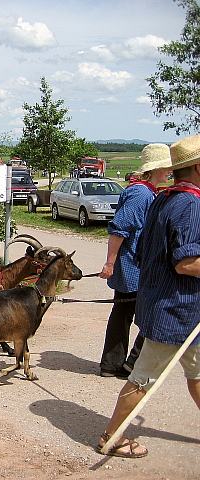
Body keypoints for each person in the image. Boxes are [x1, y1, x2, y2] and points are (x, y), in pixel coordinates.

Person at [97, 134, 200, 458]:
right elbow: (186, 263)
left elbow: (142, 251)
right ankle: (111, 436)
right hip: (177, 310)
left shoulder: (164, 198)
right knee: (142, 378)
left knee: (198, 372)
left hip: (174, 307)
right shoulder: (190, 204)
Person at [98, 144, 172, 378]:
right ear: (156, 169)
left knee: (124, 313)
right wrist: (110, 263)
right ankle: (126, 364)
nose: (169, 172)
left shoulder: (147, 192)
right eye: (166, 168)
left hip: (137, 266)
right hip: (133, 267)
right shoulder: (140, 194)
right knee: (148, 314)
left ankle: (116, 364)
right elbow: (119, 229)